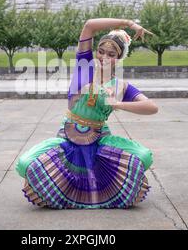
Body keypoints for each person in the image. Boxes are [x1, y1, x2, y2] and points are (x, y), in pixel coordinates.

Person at [15, 18, 159, 209]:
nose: (104, 57)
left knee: (144, 157)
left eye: (111, 54)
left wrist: (118, 104)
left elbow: (152, 107)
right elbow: (90, 25)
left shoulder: (121, 86)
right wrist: (129, 23)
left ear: (120, 57)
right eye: (101, 51)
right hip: (69, 137)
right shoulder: (84, 68)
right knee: (24, 164)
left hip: (100, 139)